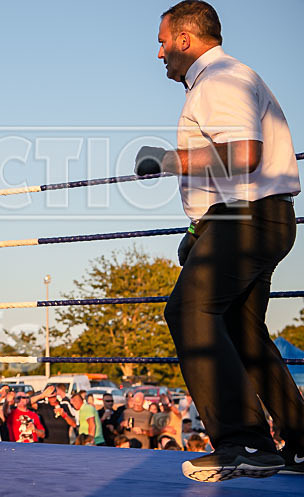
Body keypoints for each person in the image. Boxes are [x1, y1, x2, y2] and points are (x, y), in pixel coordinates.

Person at [135, 0, 303, 481]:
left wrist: (169, 161)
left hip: (244, 219)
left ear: (185, 39)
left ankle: (244, 443)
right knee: (242, 334)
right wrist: (199, 228)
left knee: (188, 312)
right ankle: (299, 444)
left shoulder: (220, 79)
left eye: (163, 41)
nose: (160, 52)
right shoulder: (227, 78)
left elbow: (244, 154)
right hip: (254, 218)